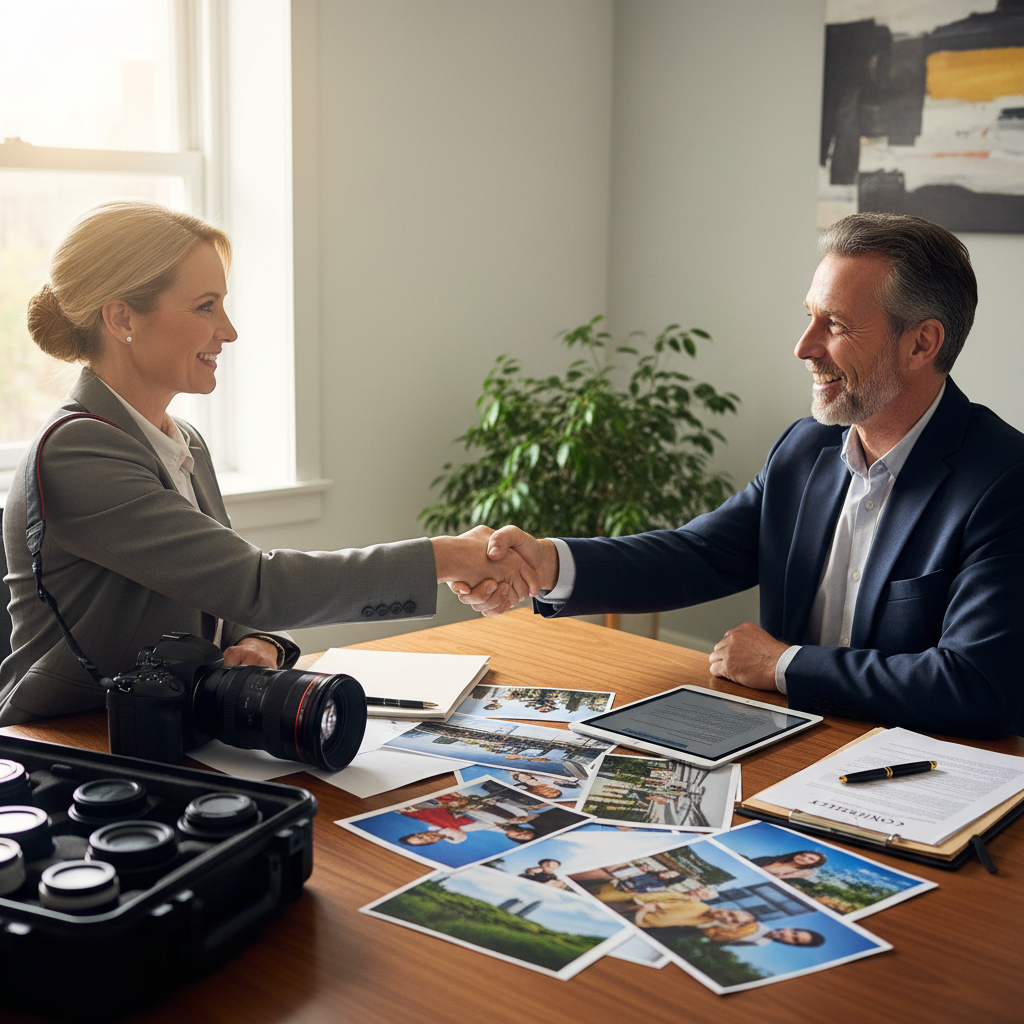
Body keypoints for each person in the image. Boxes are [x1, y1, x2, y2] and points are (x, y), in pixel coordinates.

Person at [454, 214, 1024, 739]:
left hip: (917, 776)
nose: (804, 347)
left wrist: (782, 664)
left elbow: (977, 685)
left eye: (837, 325)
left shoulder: (1004, 481)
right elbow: (696, 554)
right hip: (791, 744)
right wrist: (545, 564)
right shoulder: (806, 448)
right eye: (810, 317)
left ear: (922, 342)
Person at [0, 200, 536, 725]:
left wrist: (257, 643)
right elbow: (257, 586)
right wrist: (447, 556)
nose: (228, 330)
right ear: (121, 318)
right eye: (205, 306)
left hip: (168, 724)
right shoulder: (77, 452)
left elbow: (222, 597)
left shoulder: (182, 440)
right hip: (70, 740)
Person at [750, 851, 826, 879]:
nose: (804, 858)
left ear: (814, 864)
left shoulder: (798, 874)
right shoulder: (770, 859)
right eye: (803, 855)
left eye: (811, 859)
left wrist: (789, 876)